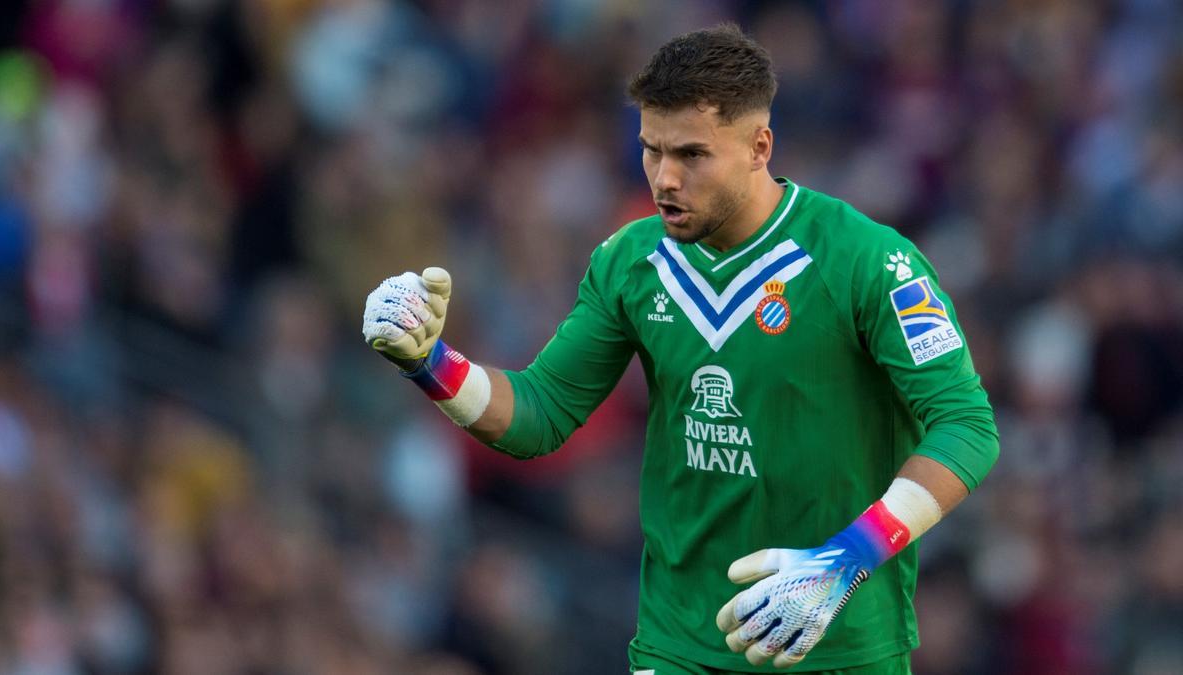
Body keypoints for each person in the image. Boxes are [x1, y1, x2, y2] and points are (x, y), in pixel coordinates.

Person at [362, 23, 999, 675]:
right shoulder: (630, 261)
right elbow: (539, 414)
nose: (665, 179)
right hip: (680, 645)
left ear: (759, 146)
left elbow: (967, 427)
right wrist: (429, 360)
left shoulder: (868, 260)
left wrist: (848, 558)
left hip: (836, 645)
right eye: (651, 151)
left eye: (691, 155)